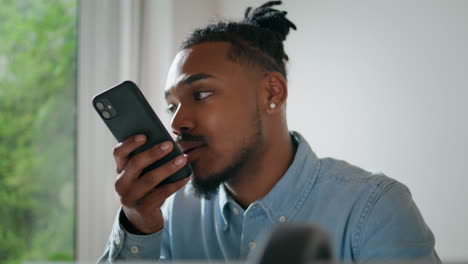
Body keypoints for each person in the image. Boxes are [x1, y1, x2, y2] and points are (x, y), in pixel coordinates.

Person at [99, 1, 440, 263]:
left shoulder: (375, 208)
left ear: (271, 94)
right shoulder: (171, 215)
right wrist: (138, 223)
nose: (176, 123)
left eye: (201, 94)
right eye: (171, 106)